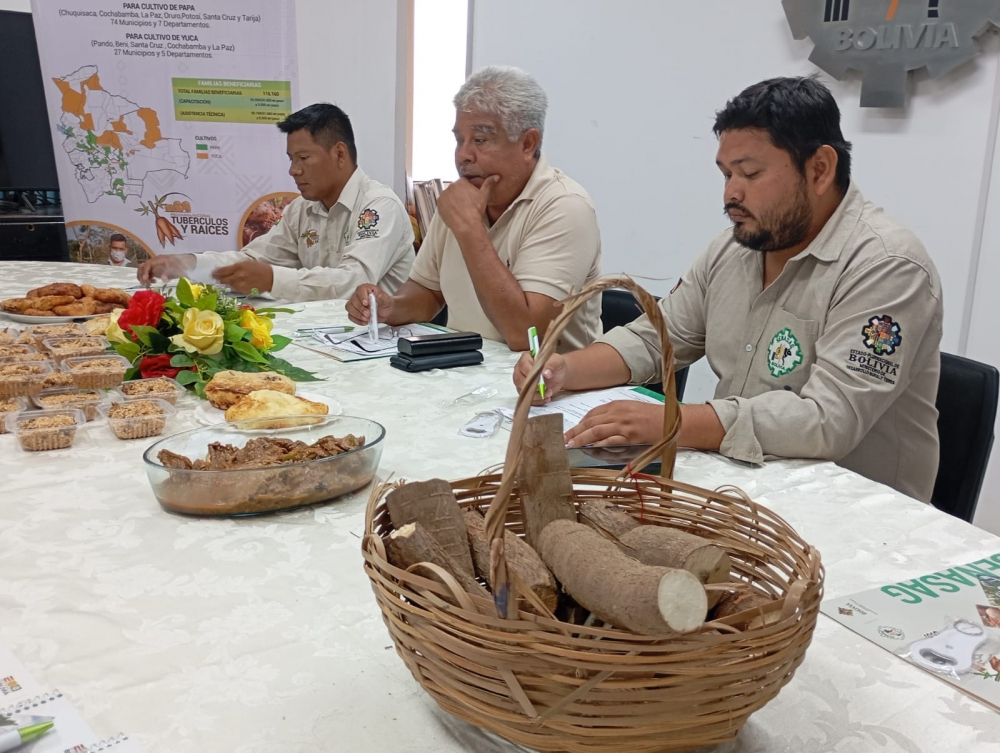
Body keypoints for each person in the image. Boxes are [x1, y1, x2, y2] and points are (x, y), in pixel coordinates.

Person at [515, 76, 943, 502]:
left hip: (859, 519)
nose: (731, 193)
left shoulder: (887, 266)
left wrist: (672, 422)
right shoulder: (736, 247)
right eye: (726, 174)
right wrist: (564, 370)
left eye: (750, 174)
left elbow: (826, 420)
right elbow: (656, 336)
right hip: (745, 488)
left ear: (819, 169)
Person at [346, 66, 602, 352]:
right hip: (465, 372)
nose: (463, 155)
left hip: (548, 388)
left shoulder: (565, 207)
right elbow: (428, 292)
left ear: (528, 144)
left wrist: (469, 228)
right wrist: (389, 307)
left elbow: (525, 335)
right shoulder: (466, 195)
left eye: (480, 140)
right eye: (459, 140)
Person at [136, 104, 414, 301]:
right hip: (323, 336)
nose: (293, 170)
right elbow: (253, 259)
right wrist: (185, 264)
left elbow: (353, 282)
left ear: (339, 154)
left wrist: (272, 280)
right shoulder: (302, 209)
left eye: (303, 158)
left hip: (380, 345)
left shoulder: (378, 206)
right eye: (291, 159)